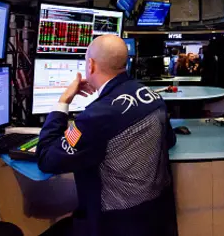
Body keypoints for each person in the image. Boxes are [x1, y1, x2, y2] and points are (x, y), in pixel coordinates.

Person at [37, 35, 177, 236]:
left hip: (112, 224)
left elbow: (47, 158)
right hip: (156, 219)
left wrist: (63, 101)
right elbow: (169, 140)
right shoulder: (152, 96)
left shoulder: (95, 117)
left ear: (91, 65)